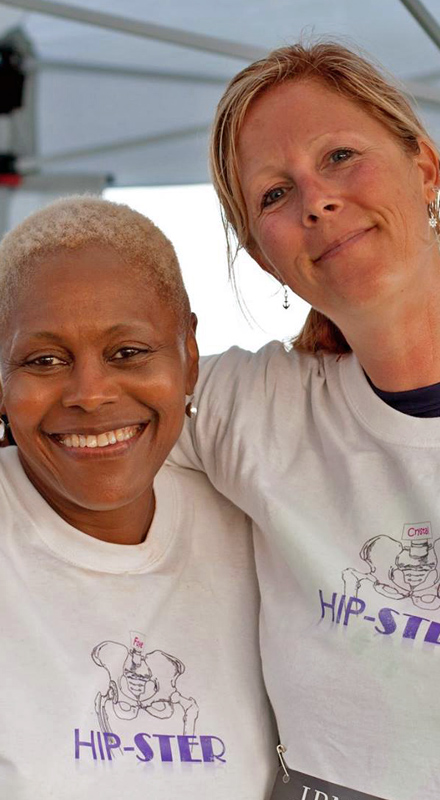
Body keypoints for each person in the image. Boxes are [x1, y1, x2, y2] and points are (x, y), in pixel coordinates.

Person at [171, 42, 440, 800]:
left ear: (425, 168)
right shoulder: (252, 410)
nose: (316, 201)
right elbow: (81, 395)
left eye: (341, 156)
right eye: (275, 195)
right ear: (263, 258)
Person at [0, 195, 277, 799]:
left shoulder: (261, 534)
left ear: (189, 356)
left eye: (129, 352)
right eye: (43, 360)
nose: (91, 394)